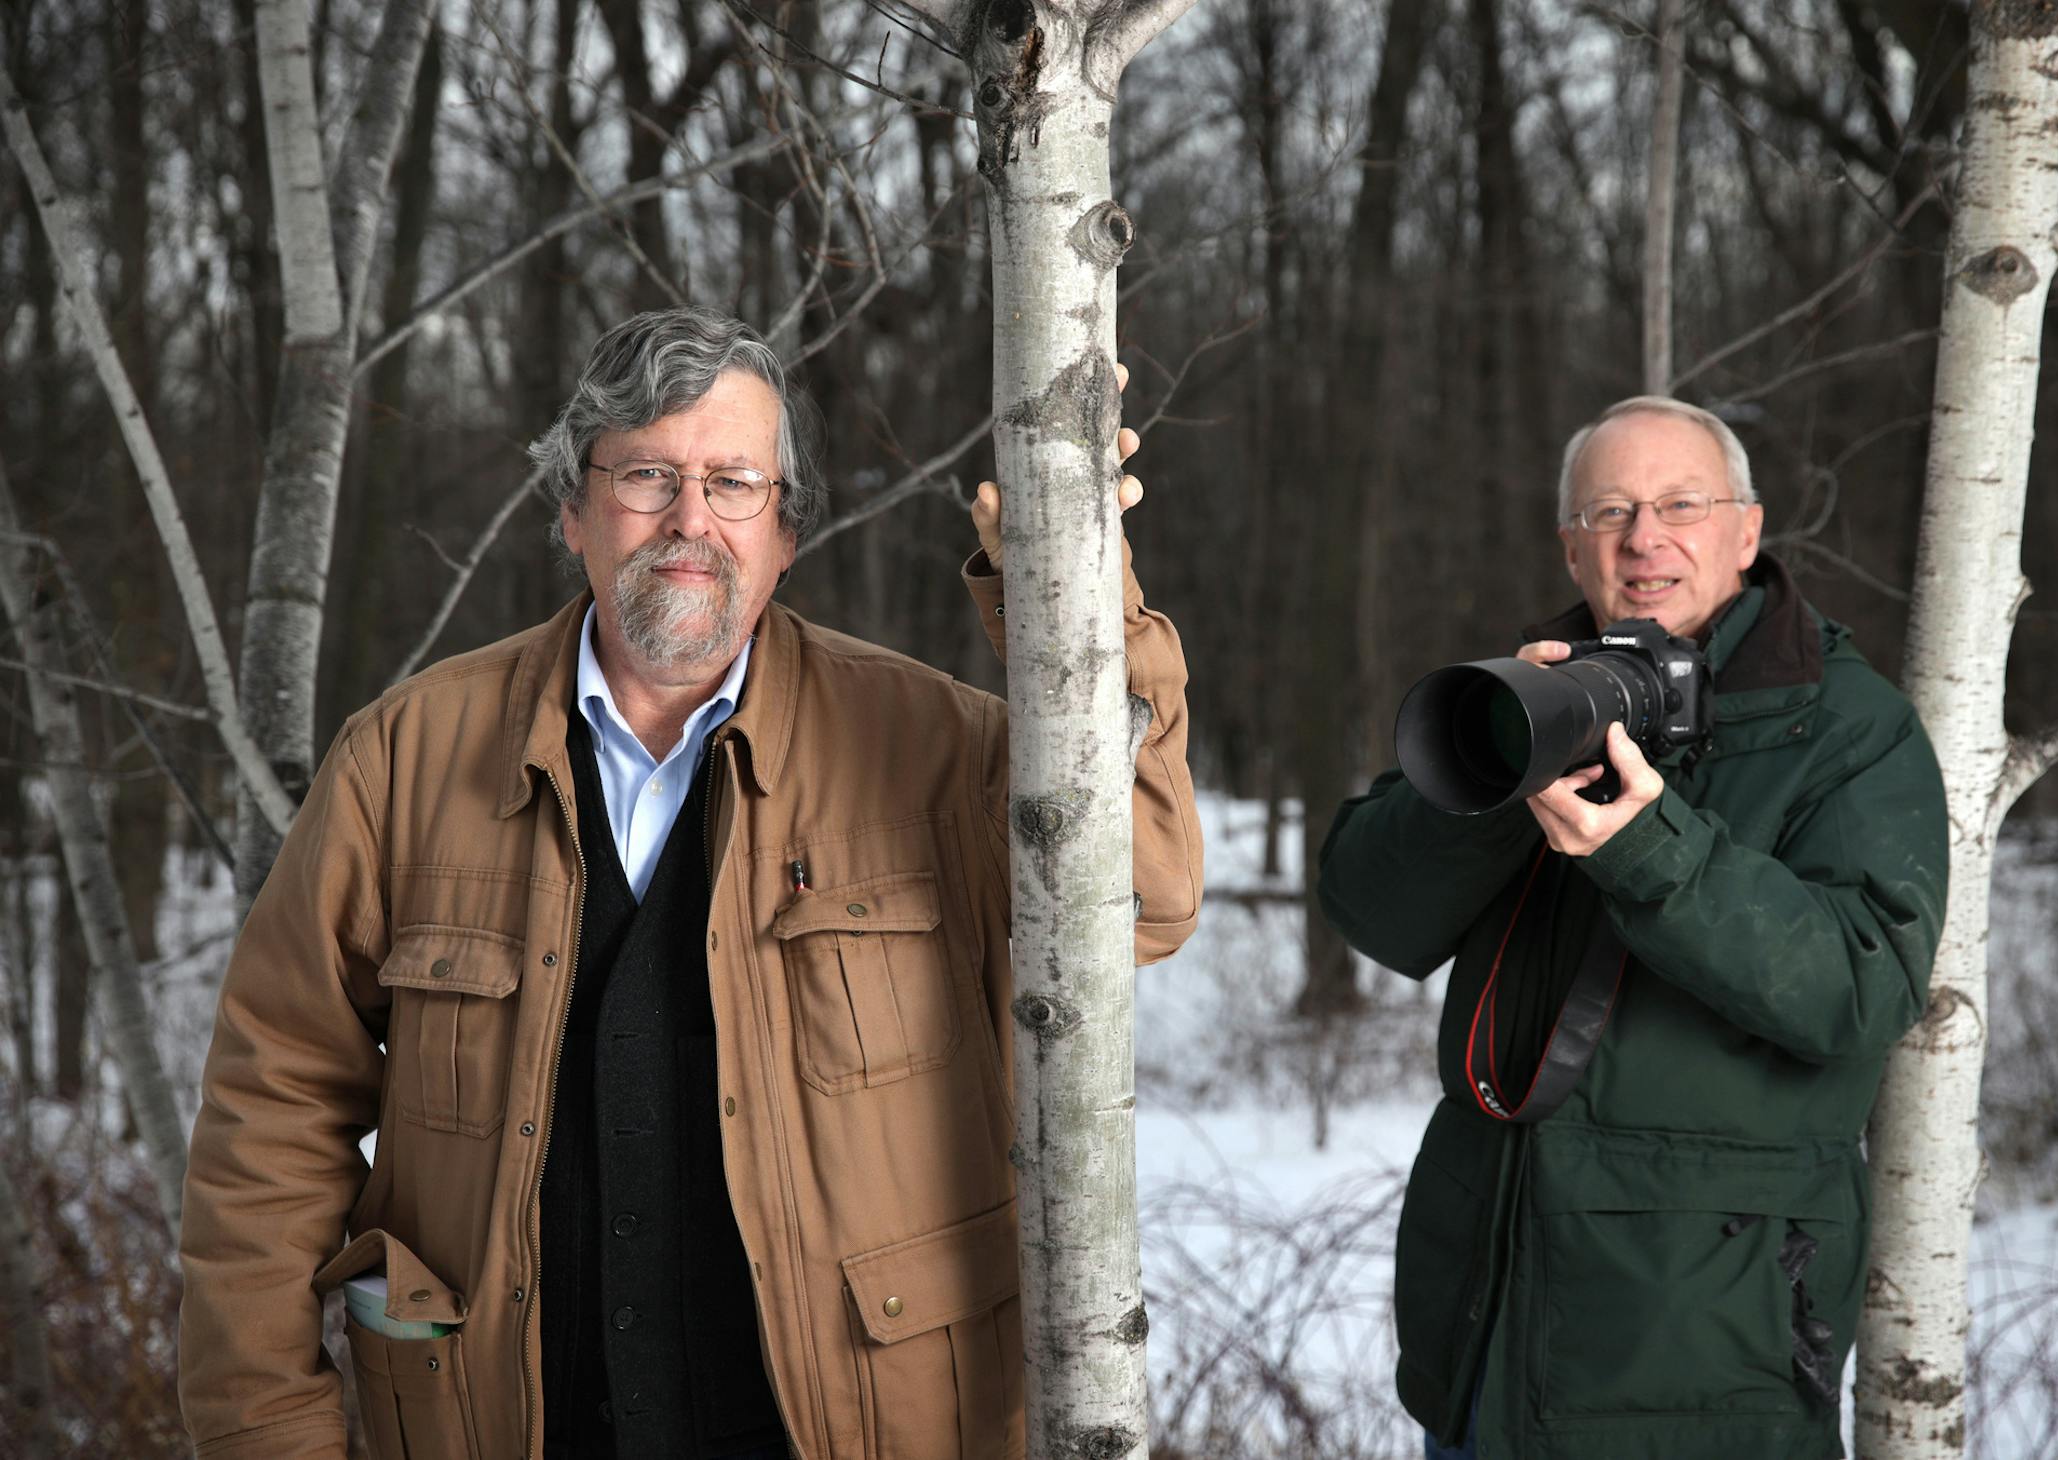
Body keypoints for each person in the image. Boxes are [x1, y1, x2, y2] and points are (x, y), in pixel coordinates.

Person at [177, 306, 1202, 1460]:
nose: (690, 522)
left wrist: (1078, 606)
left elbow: (1140, 900)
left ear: (787, 530)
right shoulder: (402, 763)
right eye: (646, 476)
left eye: (734, 482)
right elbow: (269, 1117)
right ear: (570, 511)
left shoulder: (934, 751)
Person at [1319, 396, 1949, 1460]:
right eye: (1608, 510)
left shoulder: (1846, 725)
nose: (1643, 537)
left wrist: (1647, 845)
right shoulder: (1538, 688)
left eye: (1679, 505)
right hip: (1484, 1345)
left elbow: (1860, 983)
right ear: (1572, 545)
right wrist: (1498, 767)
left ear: (1747, 531)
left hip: (1701, 1355)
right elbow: (1370, 906)